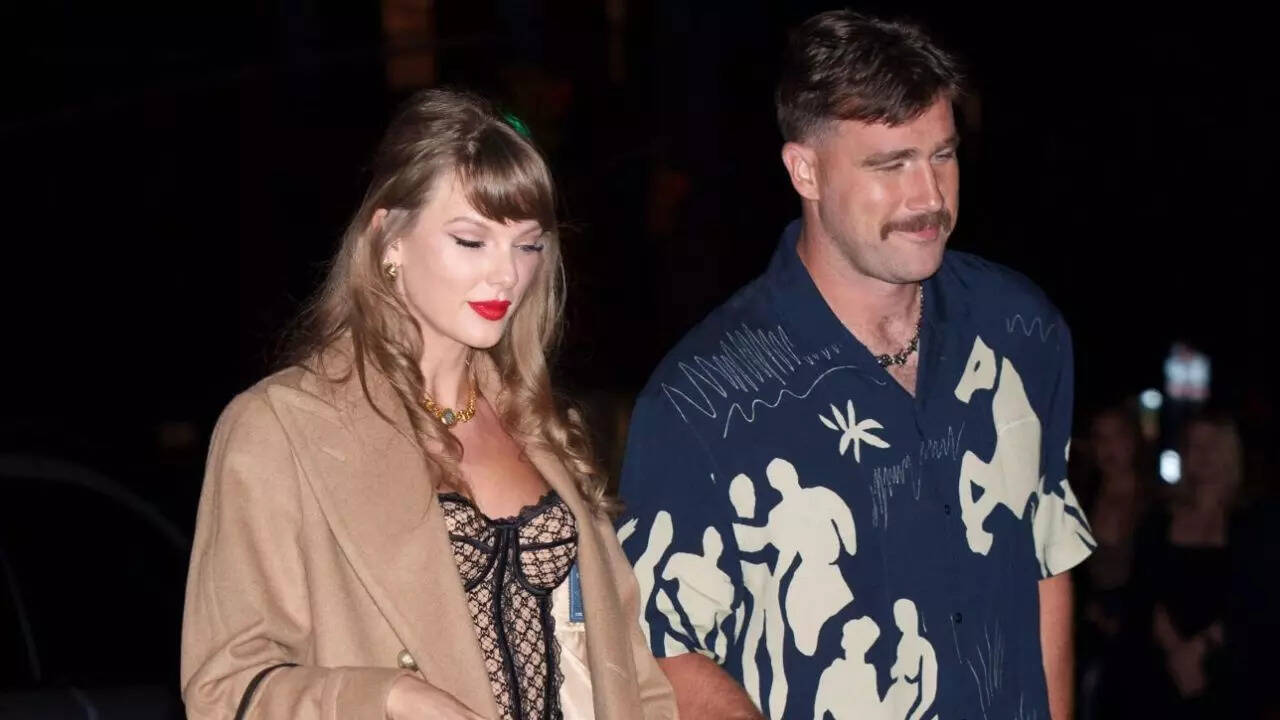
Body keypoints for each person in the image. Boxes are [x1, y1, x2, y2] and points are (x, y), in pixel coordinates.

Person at [614, 11, 1094, 720]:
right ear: (805, 170)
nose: (929, 197)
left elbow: (1046, 557)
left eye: (942, 155)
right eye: (890, 164)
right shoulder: (704, 400)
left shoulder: (1019, 328)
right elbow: (658, 646)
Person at [180, 88, 677, 720]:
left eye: (527, 245)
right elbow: (223, 689)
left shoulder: (546, 428)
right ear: (389, 239)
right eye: (471, 240)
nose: (507, 275)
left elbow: (633, 675)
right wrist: (388, 697)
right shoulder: (279, 429)